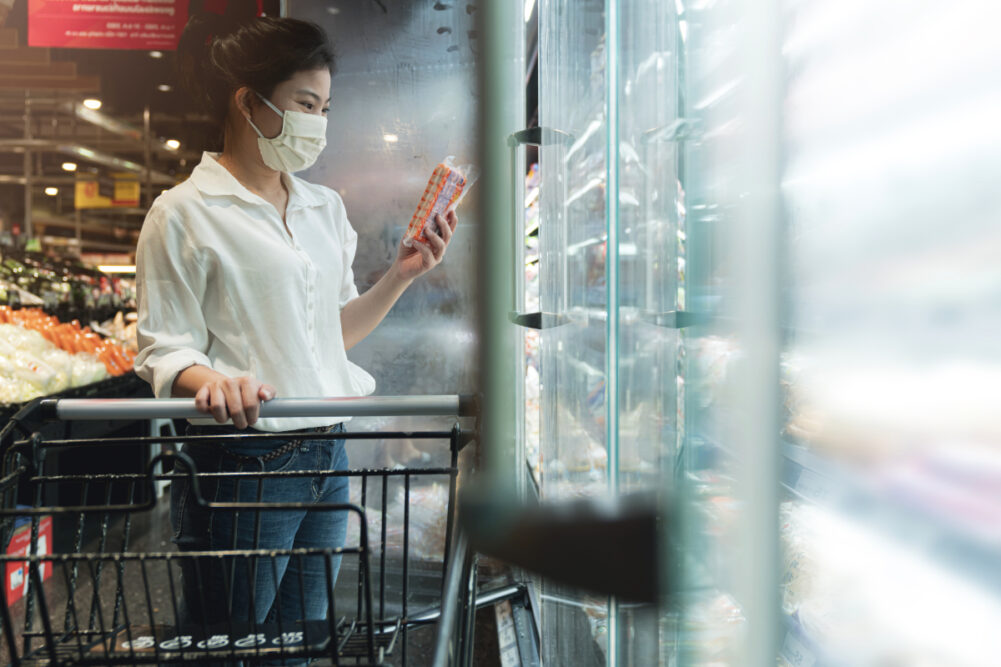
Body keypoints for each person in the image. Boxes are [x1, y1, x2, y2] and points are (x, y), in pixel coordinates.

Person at [133, 4, 458, 654]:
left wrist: (400, 275)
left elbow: (331, 334)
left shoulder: (322, 206)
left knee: (305, 643)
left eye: (326, 108)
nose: (318, 123)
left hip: (327, 451)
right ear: (249, 104)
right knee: (233, 641)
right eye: (305, 104)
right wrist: (215, 382)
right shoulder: (184, 213)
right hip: (244, 457)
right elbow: (163, 346)